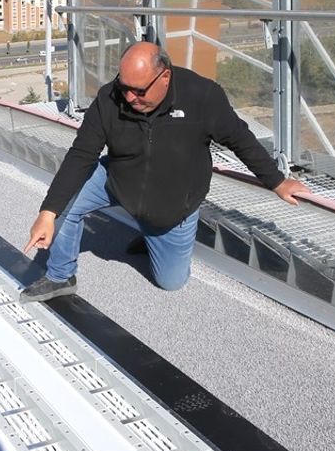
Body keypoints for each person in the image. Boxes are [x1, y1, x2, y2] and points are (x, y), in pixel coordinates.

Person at [21, 41, 308, 301]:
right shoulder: (110, 98)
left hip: (173, 203)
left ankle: (153, 234)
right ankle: (60, 276)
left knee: (170, 282)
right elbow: (82, 154)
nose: (130, 97)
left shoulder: (202, 95)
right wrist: (48, 213)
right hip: (118, 178)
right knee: (64, 205)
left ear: (165, 76)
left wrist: (277, 182)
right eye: (124, 87)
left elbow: (240, 139)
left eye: (139, 90)